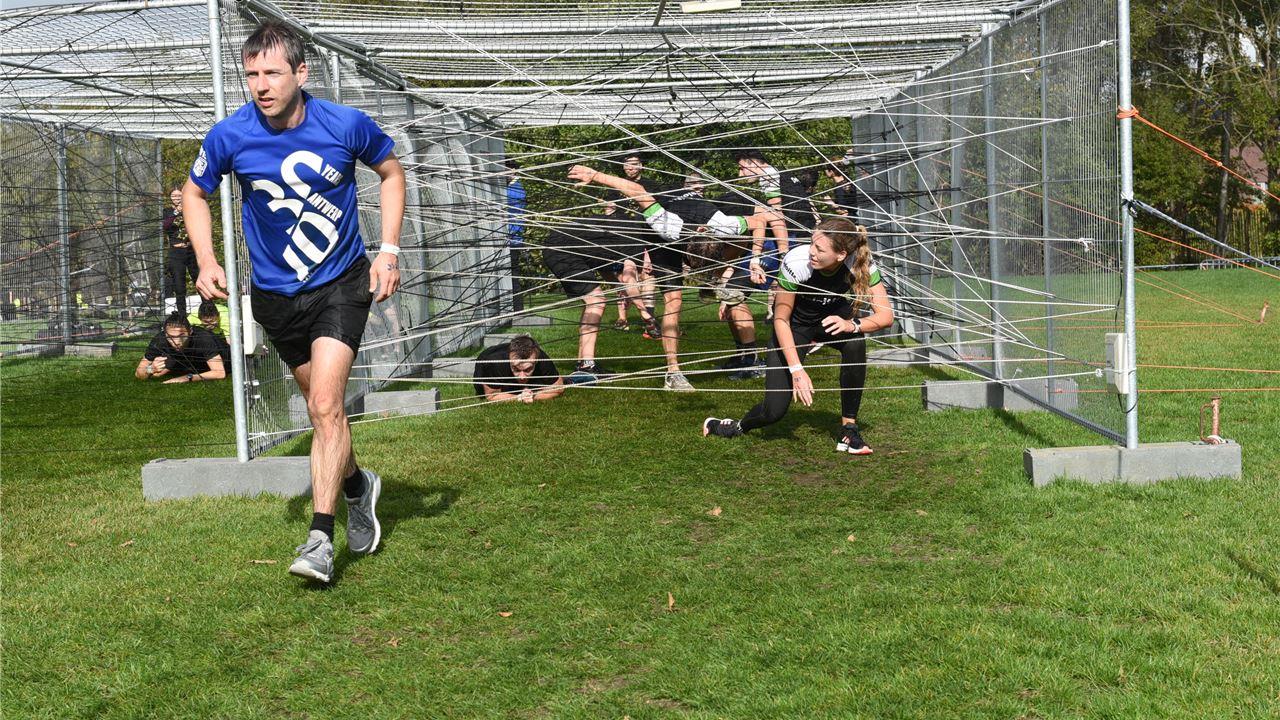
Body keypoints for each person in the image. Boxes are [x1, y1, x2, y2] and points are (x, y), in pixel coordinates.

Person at [183, 21, 406, 584]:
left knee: (327, 407)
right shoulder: (230, 135)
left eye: (272, 73)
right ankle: (358, 486)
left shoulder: (345, 124)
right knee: (320, 411)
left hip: (341, 285)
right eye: (251, 74)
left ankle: (320, 539)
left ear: (301, 73)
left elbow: (391, 172)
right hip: (276, 298)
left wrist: (388, 251)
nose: (261, 85)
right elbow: (194, 192)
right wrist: (206, 260)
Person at [568, 163, 787, 392]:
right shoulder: (668, 226)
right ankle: (673, 372)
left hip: (700, 225)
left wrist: (754, 259)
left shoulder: (724, 224)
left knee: (733, 251)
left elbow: (759, 222)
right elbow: (636, 190)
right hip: (659, 239)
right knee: (674, 301)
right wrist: (595, 174)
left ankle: (714, 278)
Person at [702, 217, 894, 455]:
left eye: (820, 249)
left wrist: (851, 325)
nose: (812, 251)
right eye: (812, 243)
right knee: (773, 412)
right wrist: (797, 371)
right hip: (794, 327)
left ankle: (849, 429)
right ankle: (734, 426)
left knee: (855, 342)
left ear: (841, 255)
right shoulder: (797, 261)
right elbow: (781, 319)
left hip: (831, 320)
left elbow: (886, 316)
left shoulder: (859, 262)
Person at [542, 208, 659, 382]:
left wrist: (621, 289)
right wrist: (645, 314)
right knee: (596, 300)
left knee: (592, 301)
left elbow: (602, 266)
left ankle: (582, 363)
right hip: (562, 250)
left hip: (557, 245)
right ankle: (587, 365)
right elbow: (629, 279)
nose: (648, 269)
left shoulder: (622, 229)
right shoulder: (635, 242)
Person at [135, 312, 227, 383]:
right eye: (171, 337)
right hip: (184, 359)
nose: (177, 342)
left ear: (190, 331)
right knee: (157, 374)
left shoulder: (203, 338)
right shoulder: (159, 340)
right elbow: (138, 373)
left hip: (224, 361)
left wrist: (187, 378)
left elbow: (219, 373)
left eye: (181, 335)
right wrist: (151, 369)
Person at [473, 335, 565, 402]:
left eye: (527, 370)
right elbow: (492, 396)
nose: (522, 376)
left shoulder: (541, 358)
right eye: (516, 369)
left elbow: (558, 389)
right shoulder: (495, 363)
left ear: (536, 361)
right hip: (492, 372)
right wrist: (519, 397)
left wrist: (533, 396)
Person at [162, 188, 200, 316]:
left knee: (198, 279)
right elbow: (166, 226)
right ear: (170, 198)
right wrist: (176, 212)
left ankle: (207, 309)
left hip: (190, 250)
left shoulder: (190, 208)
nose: (177, 198)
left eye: (179, 195)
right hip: (176, 252)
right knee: (179, 285)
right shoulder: (167, 212)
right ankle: (182, 315)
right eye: (174, 195)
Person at [505, 159, 528, 312]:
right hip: (512, 238)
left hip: (512, 239)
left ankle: (517, 310)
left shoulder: (514, 190)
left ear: (513, 170)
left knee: (513, 276)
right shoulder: (511, 188)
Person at [190, 299, 232, 368]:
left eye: (212, 321)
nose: (210, 325)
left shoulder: (226, 316)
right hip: (205, 338)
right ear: (199, 318)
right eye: (206, 322)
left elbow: (230, 341)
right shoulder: (192, 317)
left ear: (218, 316)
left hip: (221, 339)